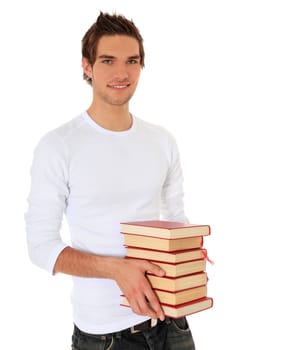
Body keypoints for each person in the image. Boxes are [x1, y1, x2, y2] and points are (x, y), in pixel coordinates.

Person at [25, 11, 196, 350]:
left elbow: (175, 218)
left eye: (132, 61)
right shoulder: (59, 145)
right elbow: (40, 246)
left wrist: (190, 253)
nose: (122, 73)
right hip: (105, 336)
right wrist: (117, 269)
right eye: (108, 60)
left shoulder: (162, 140)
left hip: (172, 323)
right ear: (87, 67)